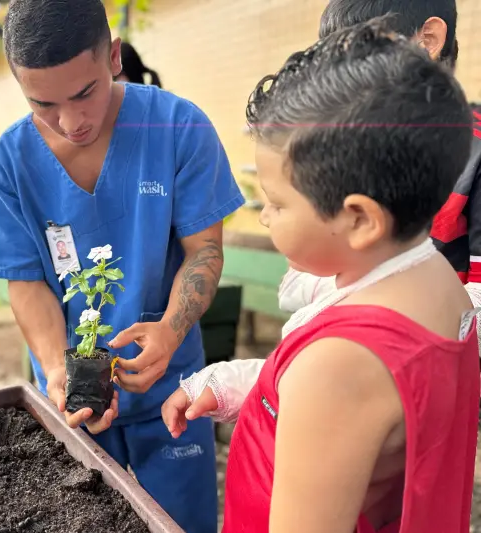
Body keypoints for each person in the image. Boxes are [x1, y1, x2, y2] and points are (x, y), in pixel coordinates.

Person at [164, 19, 479, 531]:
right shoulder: (442, 284)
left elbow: (340, 388)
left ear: (359, 220)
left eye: (276, 202)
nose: (264, 217)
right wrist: (247, 386)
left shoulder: (337, 365)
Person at [0, 0, 244, 530]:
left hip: (172, 389)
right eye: (43, 104)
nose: (70, 121)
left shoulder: (177, 126)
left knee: (180, 522)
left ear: (114, 57)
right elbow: (27, 281)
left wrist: (169, 331)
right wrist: (58, 369)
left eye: (85, 93)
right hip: (73, 397)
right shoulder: (7, 165)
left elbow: (204, 252)